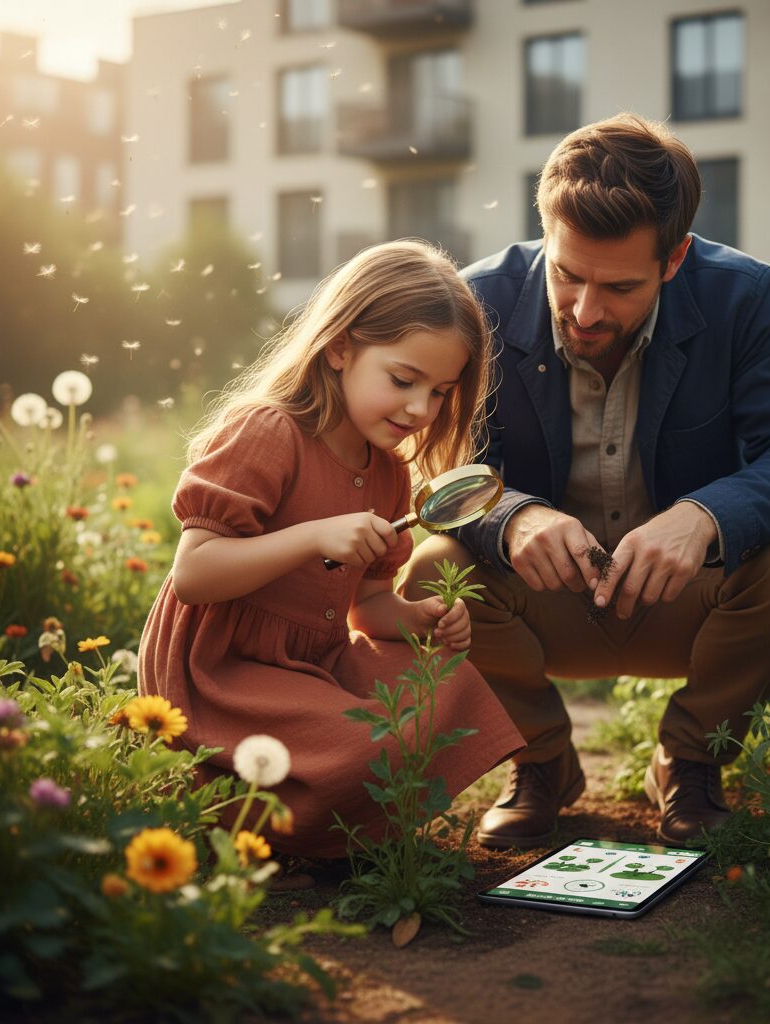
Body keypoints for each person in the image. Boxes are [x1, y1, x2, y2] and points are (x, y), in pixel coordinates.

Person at [399, 113, 770, 849]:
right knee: (432, 571)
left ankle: (690, 759)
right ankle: (541, 762)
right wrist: (512, 516)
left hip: (689, 599)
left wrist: (706, 516)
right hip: (540, 601)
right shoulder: (477, 302)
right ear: (545, 234)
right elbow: (436, 467)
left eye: (619, 286)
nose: (584, 310)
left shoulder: (742, 298)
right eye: (566, 274)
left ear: (675, 259)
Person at [138, 241, 524, 872]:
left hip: (314, 663)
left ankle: (326, 825)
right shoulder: (269, 432)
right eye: (403, 380)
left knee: (447, 688)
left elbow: (366, 607)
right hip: (220, 673)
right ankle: (247, 819)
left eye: (440, 392)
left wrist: (419, 619)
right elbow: (194, 574)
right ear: (340, 348)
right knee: (366, 740)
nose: (420, 409)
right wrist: (314, 536)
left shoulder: (389, 473)